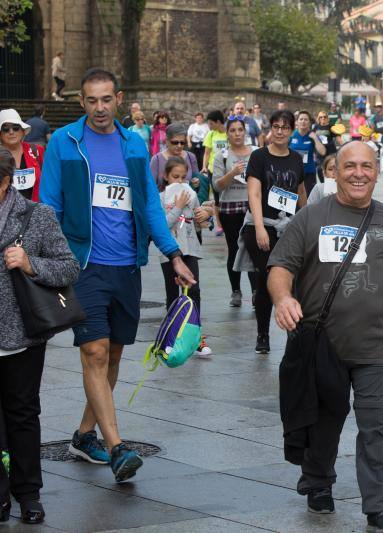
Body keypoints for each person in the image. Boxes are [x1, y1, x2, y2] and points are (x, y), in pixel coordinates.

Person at [39, 67, 196, 483]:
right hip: (84, 265)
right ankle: (117, 447)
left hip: (127, 265)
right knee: (94, 352)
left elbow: (146, 206)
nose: (99, 108)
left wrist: (174, 255)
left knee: (113, 357)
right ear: (81, 103)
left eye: (106, 99)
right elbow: (49, 205)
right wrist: (54, 261)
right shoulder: (64, 142)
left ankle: (84, 435)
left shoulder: (133, 144)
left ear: (119, 98)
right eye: (91, 100)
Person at [267, 140, 383, 533]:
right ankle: (317, 478)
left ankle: (382, 507)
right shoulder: (311, 216)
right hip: (323, 345)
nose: (358, 173)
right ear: (335, 171)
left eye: (366, 166)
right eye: (350, 166)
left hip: (379, 347)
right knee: (323, 422)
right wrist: (282, 299)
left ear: (376, 171)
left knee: (380, 425)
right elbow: (280, 267)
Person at [0, 146, 79, 524]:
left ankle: (28, 492)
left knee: (22, 414)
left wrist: (30, 264)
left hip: (21, 337)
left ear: (5, 182)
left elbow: (69, 268)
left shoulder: (37, 216)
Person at [240, 109, 306, 353]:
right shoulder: (259, 157)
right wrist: (259, 227)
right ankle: (263, 334)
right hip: (262, 226)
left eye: (285, 127)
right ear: (271, 129)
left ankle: (294, 330)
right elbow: (254, 193)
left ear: (291, 130)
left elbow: (301, 194)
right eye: (276, 127)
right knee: (267, 280)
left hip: (289, 229)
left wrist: (307, 222)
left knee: (294, 281)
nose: (280, 132)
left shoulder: (296, 159)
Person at [159, 157, 213, 357]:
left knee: (194, 291)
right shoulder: (161, 197)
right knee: (173, 294)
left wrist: (204, 215)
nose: (180, 181)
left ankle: (195, 336)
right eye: (175, 177)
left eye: (183, 177)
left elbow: (198, 223)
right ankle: (170, 338)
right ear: (166, 177)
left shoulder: (190, 194)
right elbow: (162, 226)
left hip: (191, 248)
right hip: (170, 251)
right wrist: (178, 206)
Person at [213, 118, 257, 307]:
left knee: (253, 248)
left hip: (251, 205)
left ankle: (256, 291)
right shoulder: (221, 155)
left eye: (240, 130)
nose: (237, 133)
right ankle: (236, 291)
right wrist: (232, 173)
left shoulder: (255, 153)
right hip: (229, 207)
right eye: (233, 130)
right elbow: (217, 185)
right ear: (227, 134)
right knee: (234, 248)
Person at [0, 109, 45, 202]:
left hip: (34, 211)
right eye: (5, 129)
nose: (11, 132)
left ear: (23, 131)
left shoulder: (37, 151)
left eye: (16, 127)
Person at [202, 110, 228, 237]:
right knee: (217, 199)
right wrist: (204, 166)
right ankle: (219, 225)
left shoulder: (230, 133)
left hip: (229, 170)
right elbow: (207, 152)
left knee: (228, 197)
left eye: (211, 124)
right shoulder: (211, 134)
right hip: (214, 170)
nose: (210, 126)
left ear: (218, 122)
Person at [149, 123, 199, 190]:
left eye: (182, 142)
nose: (179, 146)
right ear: (167, 141)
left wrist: (196, 183)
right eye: (175, 142)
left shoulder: (191, 157)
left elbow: (196, 181)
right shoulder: (157, 159)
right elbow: (151, 187)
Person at [290, 110, 326, 195]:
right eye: (301, 119)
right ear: (297, 122)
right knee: (293, 199)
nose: (303, 121)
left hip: (309, 173)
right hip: (293, 172)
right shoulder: (291, 135)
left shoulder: (312, 136)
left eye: (306, 120)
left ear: (309, 123)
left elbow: (323, 152)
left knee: (308, 199)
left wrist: (315, 138)